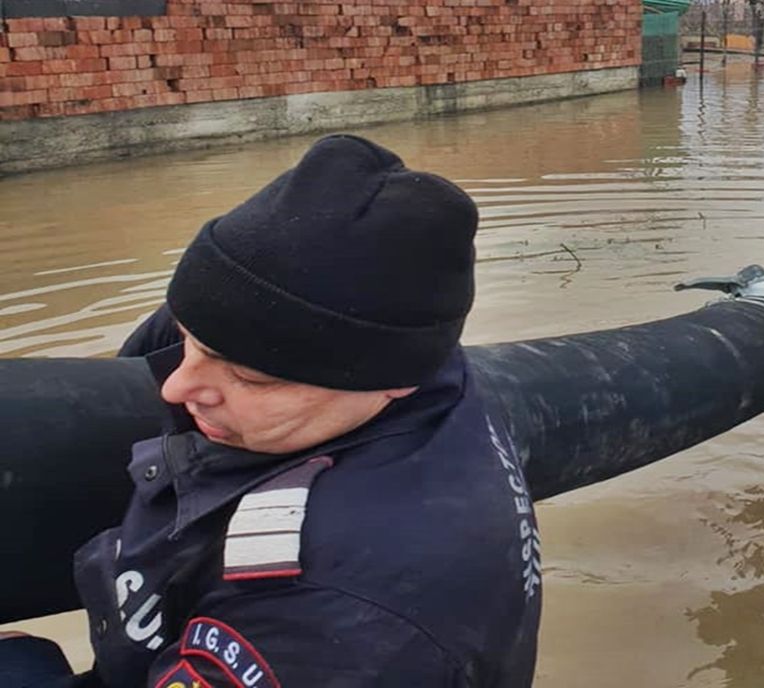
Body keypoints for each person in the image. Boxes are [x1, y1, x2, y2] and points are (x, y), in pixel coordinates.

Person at [0, 135, 542, 686]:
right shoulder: (392, 346)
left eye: (250, 378)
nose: (177, 386)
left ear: (391, 383)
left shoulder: (335, 613)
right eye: (189, 340)